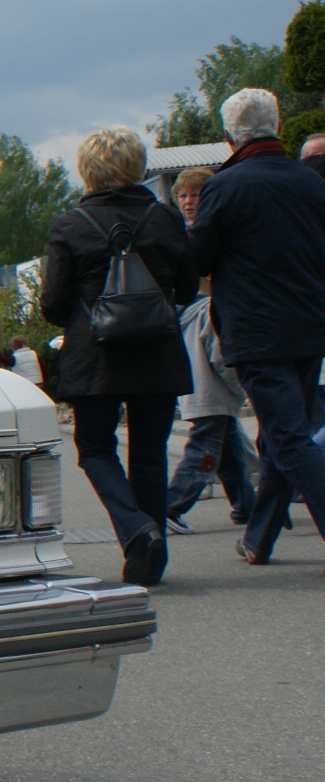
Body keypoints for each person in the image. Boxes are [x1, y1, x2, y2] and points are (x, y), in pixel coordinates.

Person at [39, 127, 196, 586]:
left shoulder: (70, 224)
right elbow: (187, 289)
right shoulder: (165, 218)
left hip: (96, 358)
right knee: (149, 454)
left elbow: (52, 303)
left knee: (94, 449)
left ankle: (135, 528)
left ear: (87, 170)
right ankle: (151, 561)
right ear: (137, 166)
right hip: (157, 353)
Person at [184, 88, 325, 568]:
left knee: (287, 438)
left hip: (257, 331)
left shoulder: (226, 186)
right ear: (277, 126)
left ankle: (266, 535)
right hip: (310, 324)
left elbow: (199, 259)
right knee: (283, 434)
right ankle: (259, 537)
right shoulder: (311, 182)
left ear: (229, 136)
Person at [161, 290, 254, 533]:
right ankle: (170, 506)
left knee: (231, 456)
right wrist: (241, 388)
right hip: (214, 394)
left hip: (195, 393)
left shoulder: (176, 315)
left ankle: (248, 507)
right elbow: (222, 356)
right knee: (204, 456)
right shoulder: (209, 310)